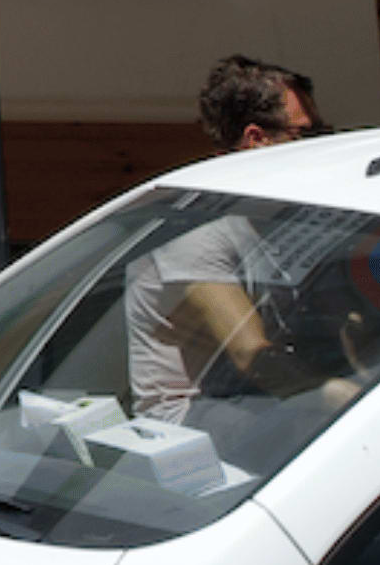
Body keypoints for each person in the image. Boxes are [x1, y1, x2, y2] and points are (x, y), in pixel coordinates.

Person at [127, 54, 325, 420]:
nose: (321, 145)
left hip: (250, 401)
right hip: (195, 426)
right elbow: (252, 356)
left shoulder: (271, 215)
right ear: (257, 139)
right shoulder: (197, 231)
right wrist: (347, 396)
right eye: (307, 134)